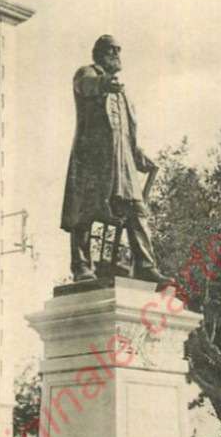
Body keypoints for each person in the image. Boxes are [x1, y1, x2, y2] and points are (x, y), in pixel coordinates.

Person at [61, 35, 169, 284]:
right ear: (99, 53)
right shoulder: (88, 74)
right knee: (84, 212)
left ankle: (145, 265)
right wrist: (103, 84)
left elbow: (125, 132)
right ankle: (81, 267)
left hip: (123, 161)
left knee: (136, 210)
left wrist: (139, 156)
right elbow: (86, 85)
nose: (116, 53)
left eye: (118, 49)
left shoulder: (122, 92)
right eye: (111, 49)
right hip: (93, 159)